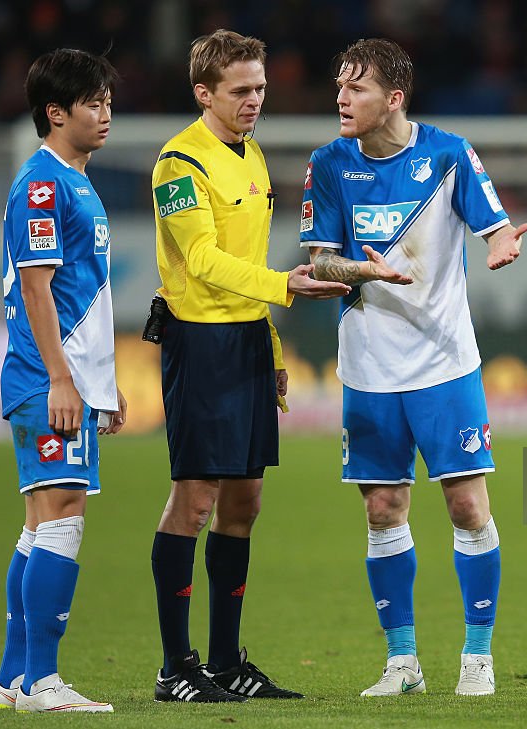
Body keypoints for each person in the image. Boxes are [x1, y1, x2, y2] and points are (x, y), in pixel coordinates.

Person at [301, 38, 527, 697]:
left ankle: (477, 657)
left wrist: (505, 242)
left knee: (465, 504)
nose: (341, 99)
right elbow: (318, 261)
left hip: (445, 362)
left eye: (357, 88)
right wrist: (361, 268)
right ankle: (403, 664)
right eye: (339, 86)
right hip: (369, 367)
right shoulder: (328, 164)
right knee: (382, 507)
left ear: (393, 98)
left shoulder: (449, 154)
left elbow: (496, 226)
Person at [148, 29, 350, 704]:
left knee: (245, 500)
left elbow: (246, 263)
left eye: (260, 88)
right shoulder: (181, 164)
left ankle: (230, 661)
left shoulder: (254, 156)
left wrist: (270, 348)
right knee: (196, 497)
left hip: (244, 342)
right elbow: (202, 260)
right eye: (240, 90)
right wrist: (285, 286)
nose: (254, 101)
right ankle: (177, 665)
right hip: (199, 344)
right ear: (204, 93)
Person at [0, 48, 127, 713]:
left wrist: (104, 381)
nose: (106, 114)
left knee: (40, 522)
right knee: (64, 515)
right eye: (92, 103)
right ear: (55, 112)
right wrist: (63, 380)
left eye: (107, 101)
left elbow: (82, 295)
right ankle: (44, 681)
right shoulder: (43, 184)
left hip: (62, 378)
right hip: (45, 381)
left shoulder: (73, 178)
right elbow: (38, 290)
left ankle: (12, 680)